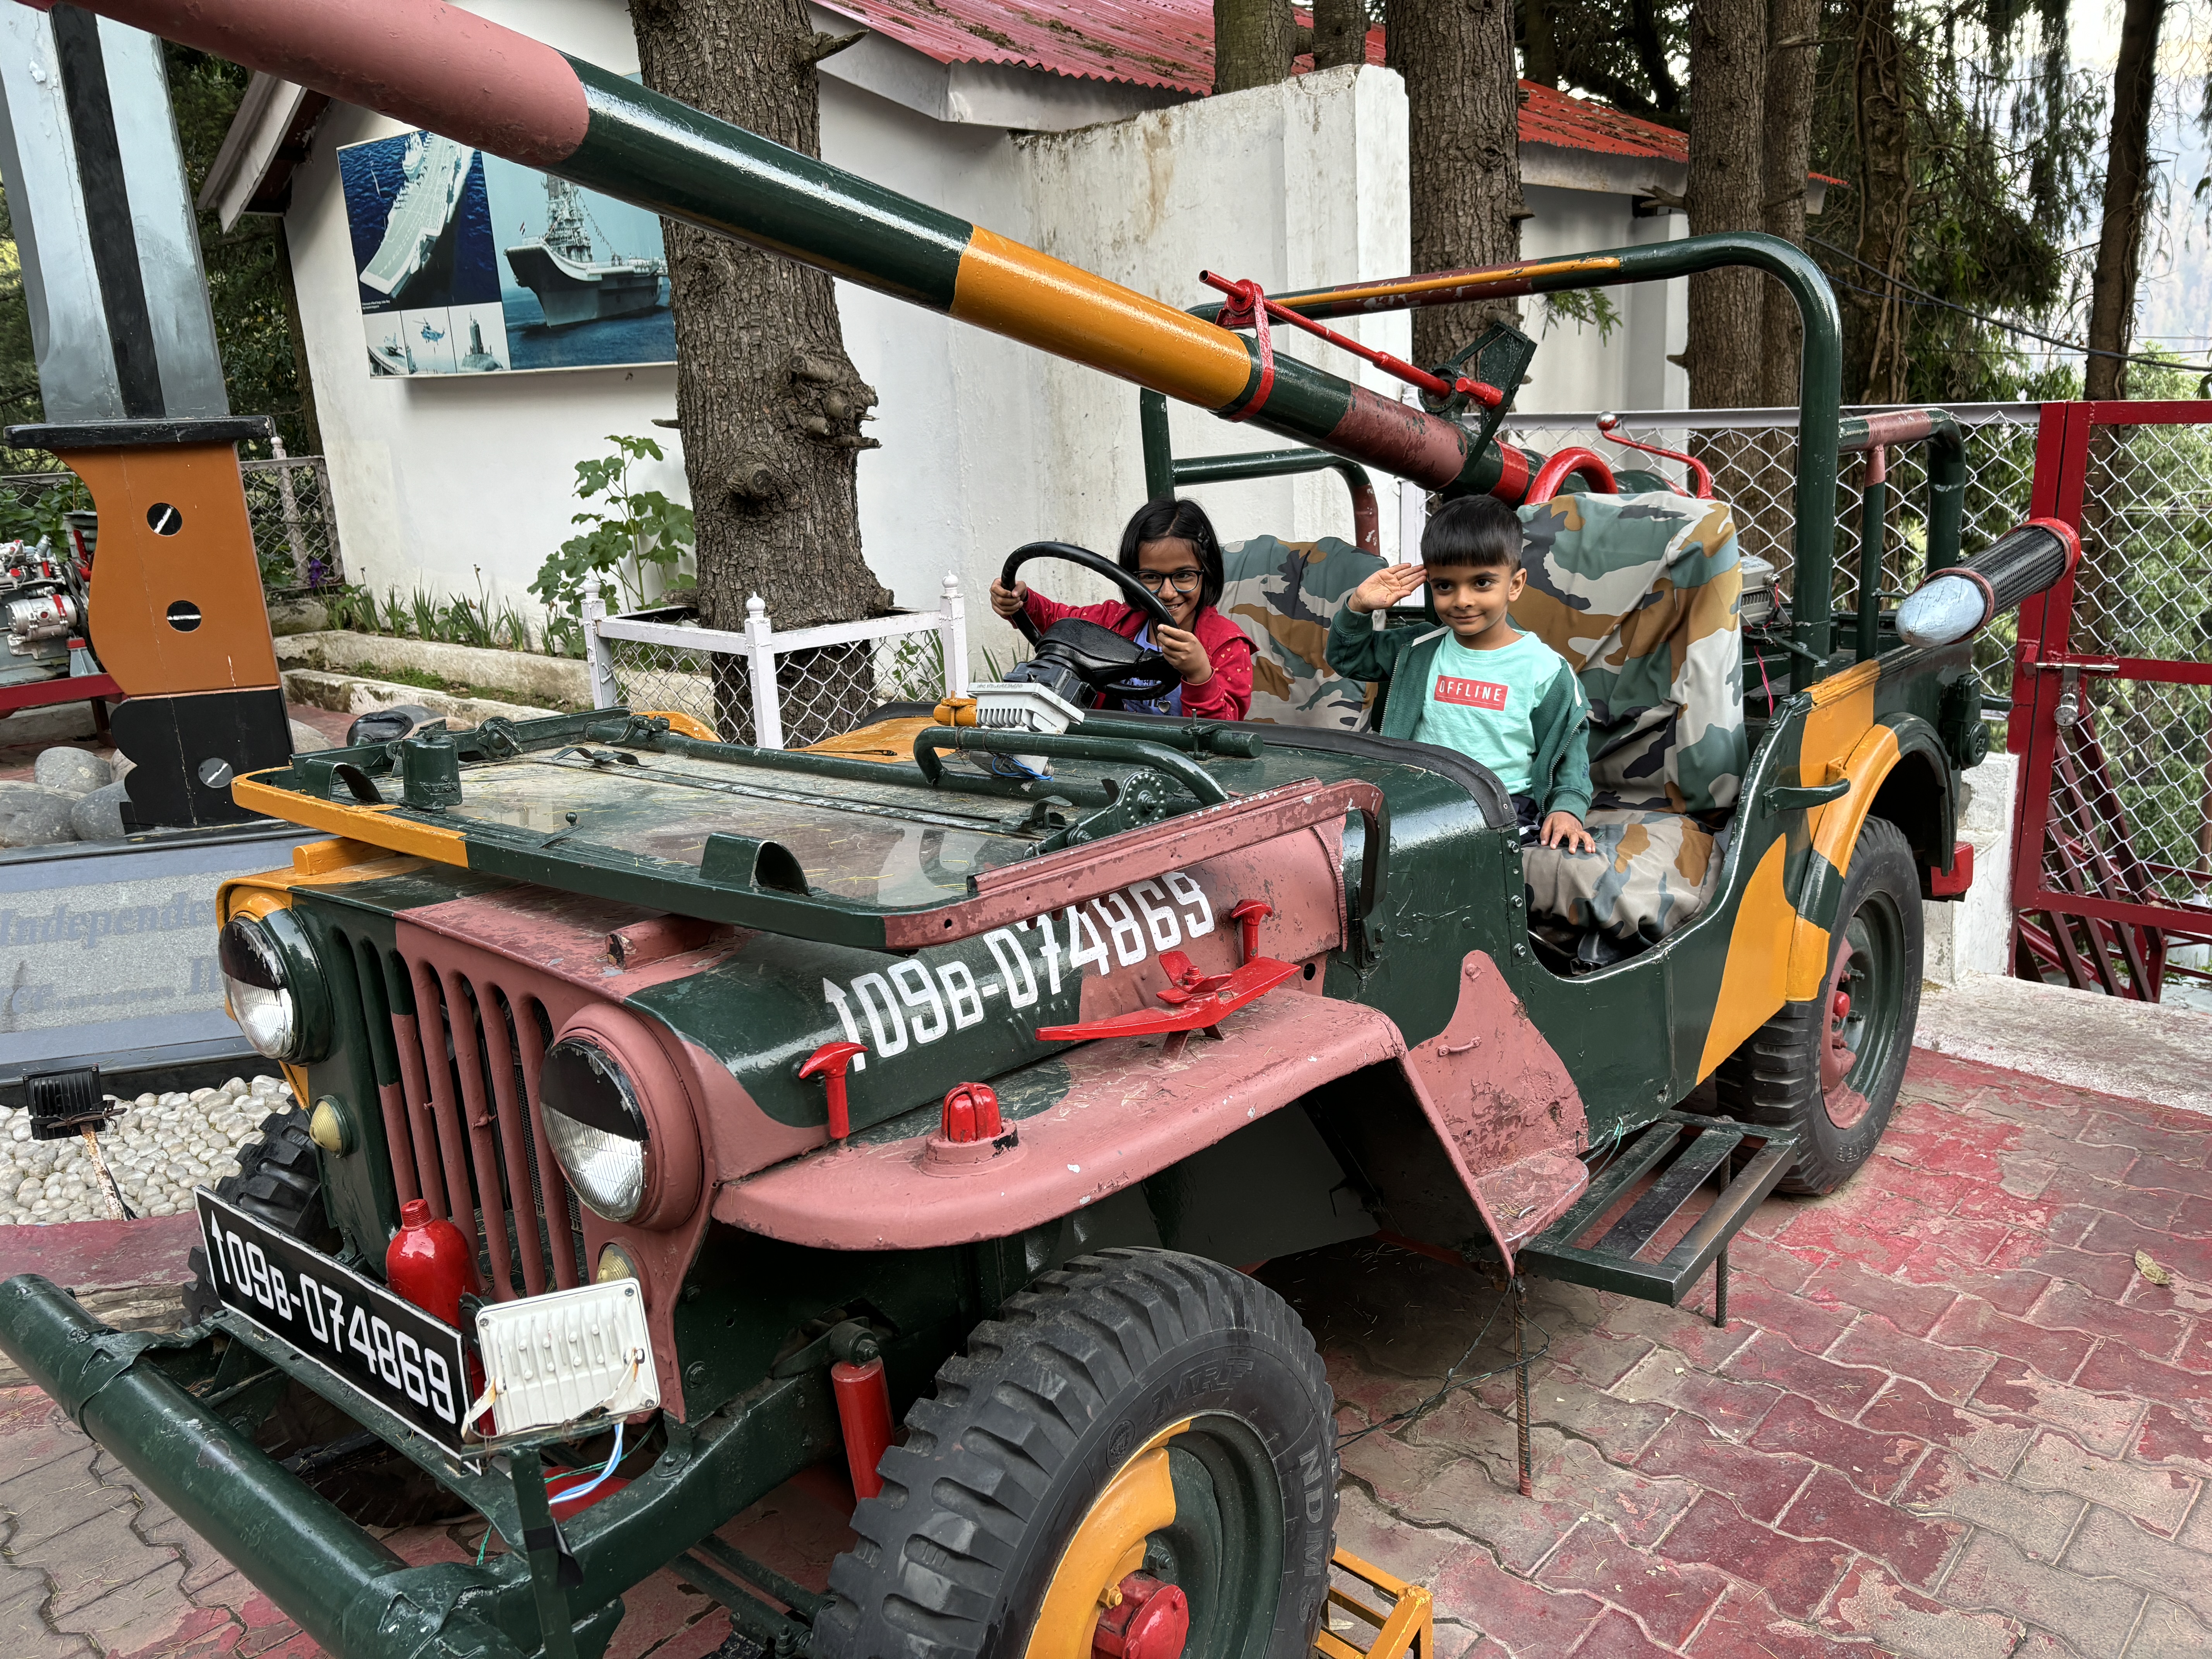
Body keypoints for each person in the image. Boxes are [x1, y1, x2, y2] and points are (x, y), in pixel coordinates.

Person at [1326, 496, 1595, 851]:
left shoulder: (1545, 669)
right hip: (1415, 803)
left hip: (1505, 810)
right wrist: (1358, 606)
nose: (1462, 600)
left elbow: (1569, 750)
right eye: (1445, 586)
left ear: (1515, 585)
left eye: (1482, 583)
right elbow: (1348, 658)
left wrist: (1567, 809)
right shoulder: (1417, 649)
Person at [989, 498, 1256, 721]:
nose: (1167, 593)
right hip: (1114, 754)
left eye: (1184, 576)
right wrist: (1021, 602)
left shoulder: (1228, 645)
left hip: (1188, 765)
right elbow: (1061, 624)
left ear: (1207, 573)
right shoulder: (1115, 622)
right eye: (1151, 577)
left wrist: (1199, 675)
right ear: (1131, 578)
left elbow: (1223, 736)